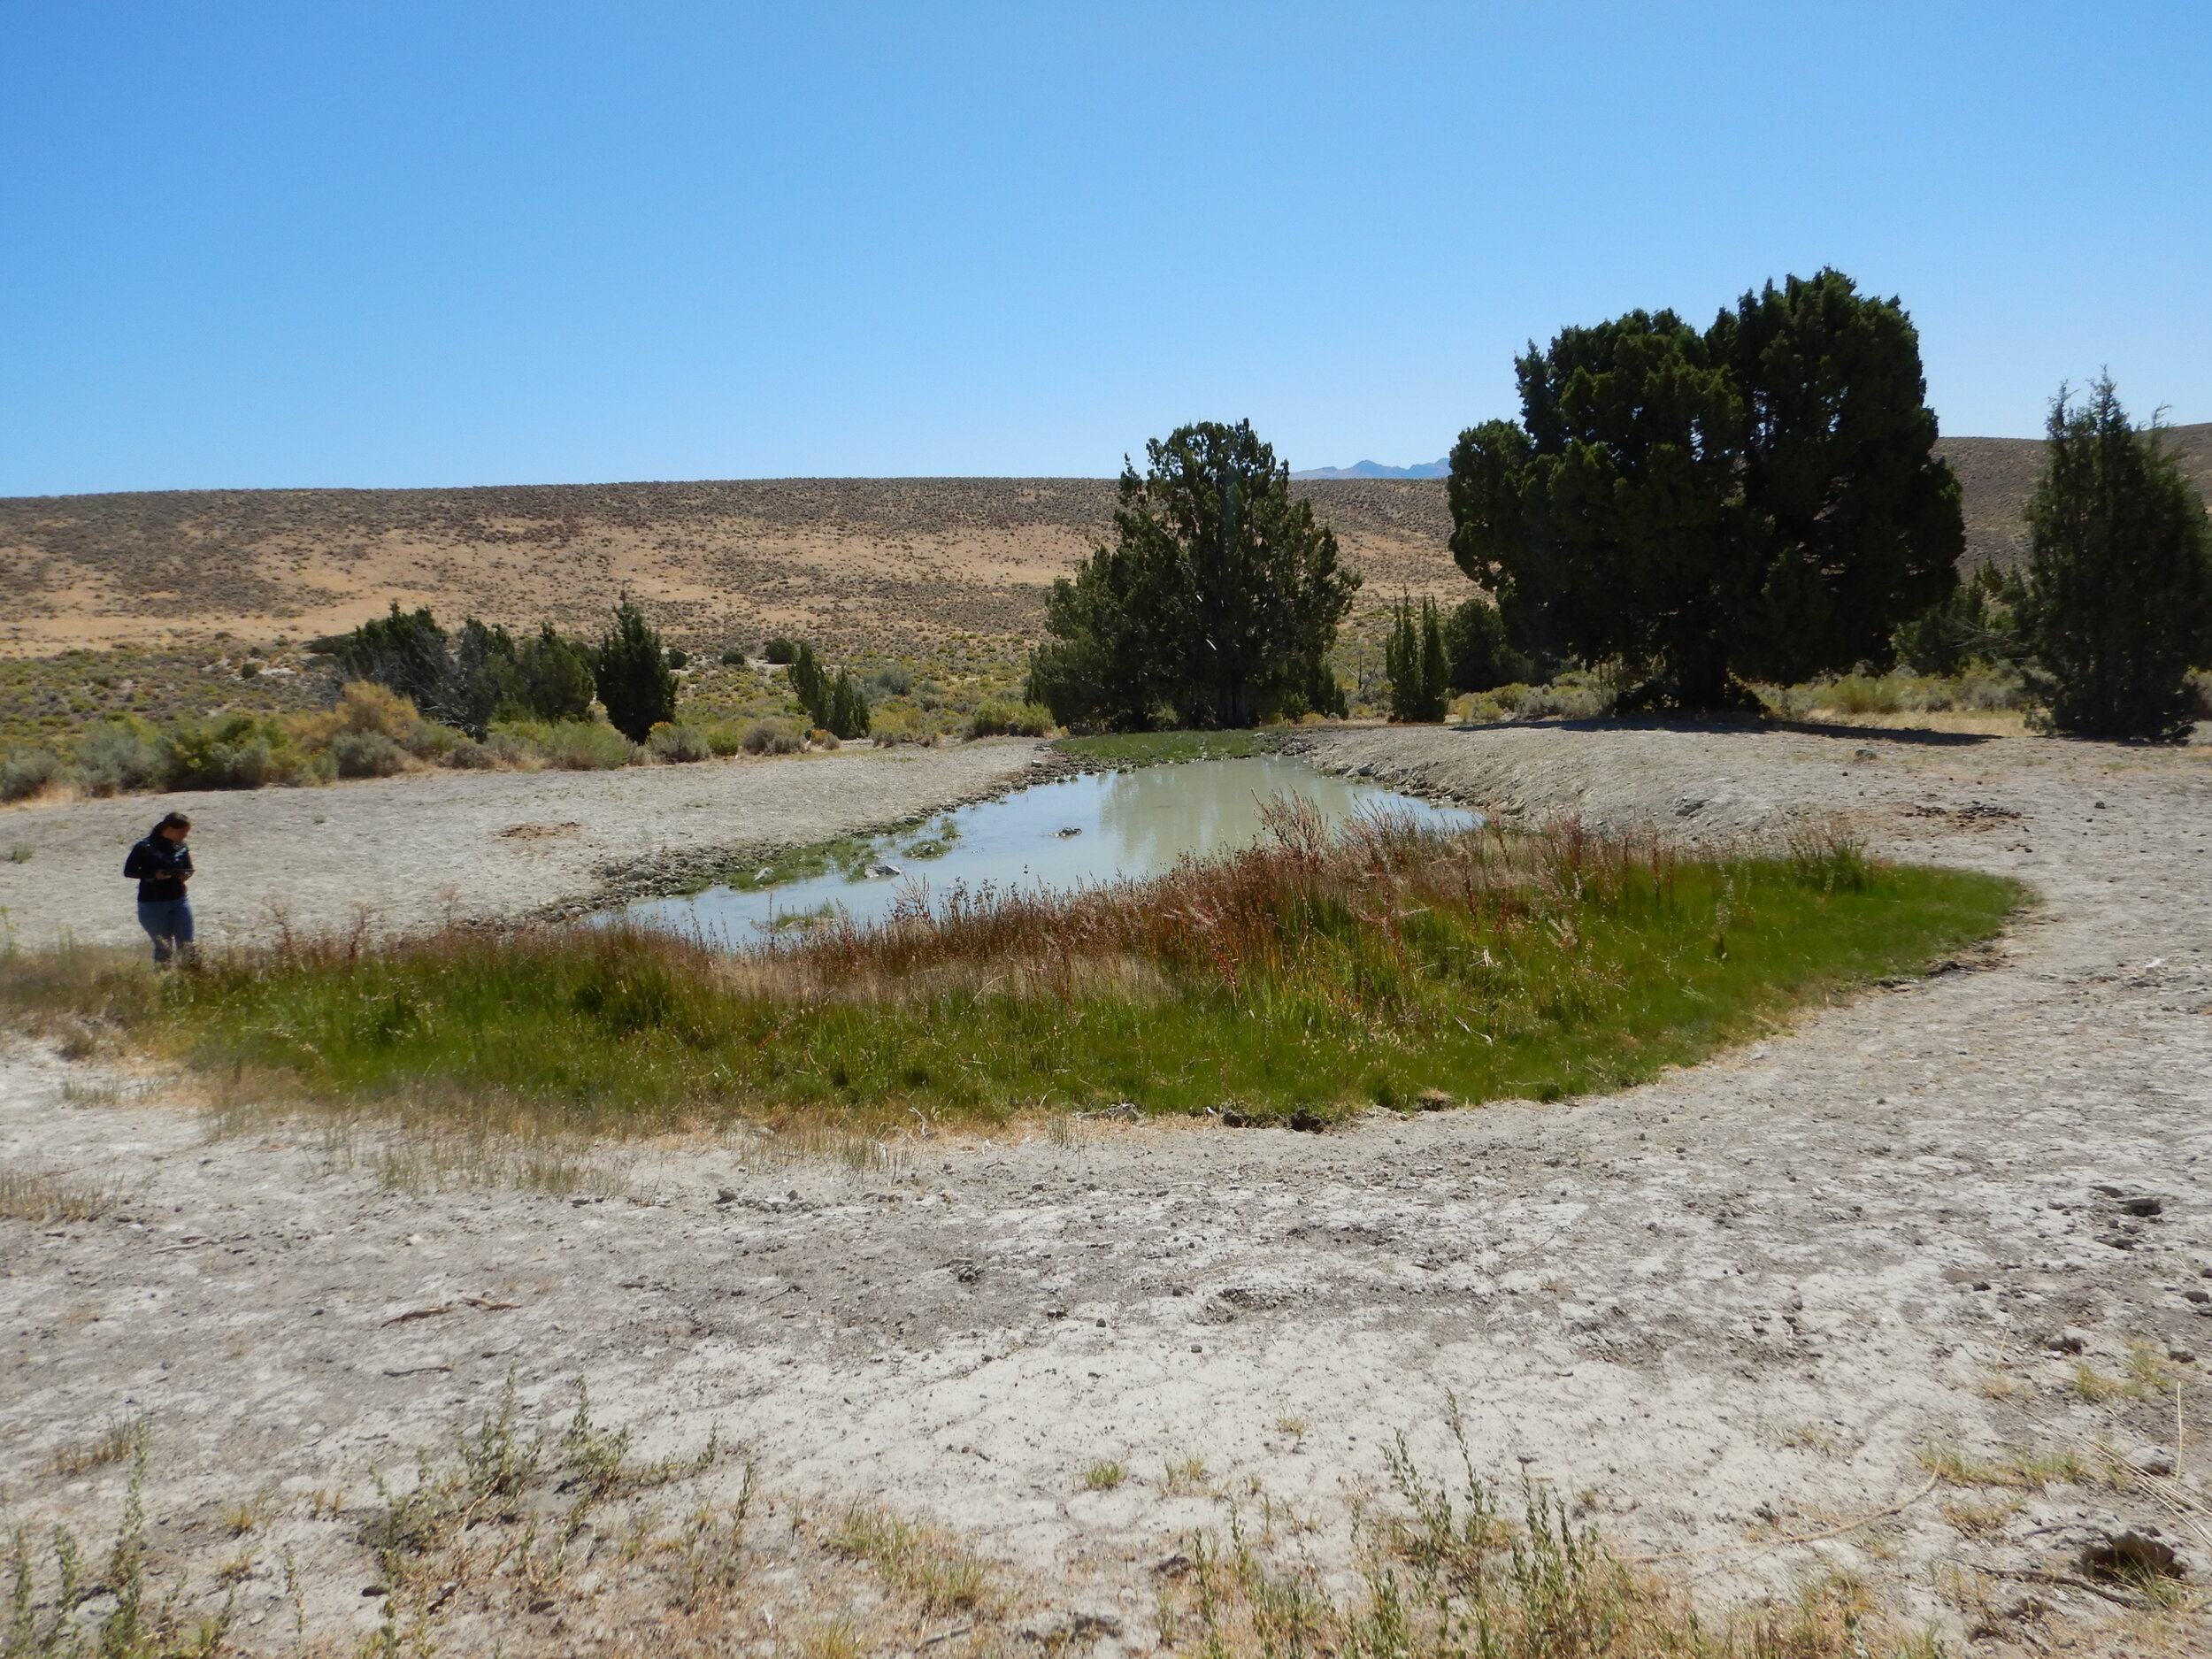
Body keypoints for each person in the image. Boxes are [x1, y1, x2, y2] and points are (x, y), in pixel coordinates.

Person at [124, 811, 195, 966]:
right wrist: (154, 874)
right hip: (152, 904)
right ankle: (165, 983)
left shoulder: (181, 847)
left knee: (188, 946)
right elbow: (129, 871)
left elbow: (189, 867)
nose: (184, 836)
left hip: (179, 901)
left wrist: (185, 874)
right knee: (164, 948)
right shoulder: (144, 847)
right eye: (181, 832)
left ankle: (191, 980)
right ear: (168, 828)